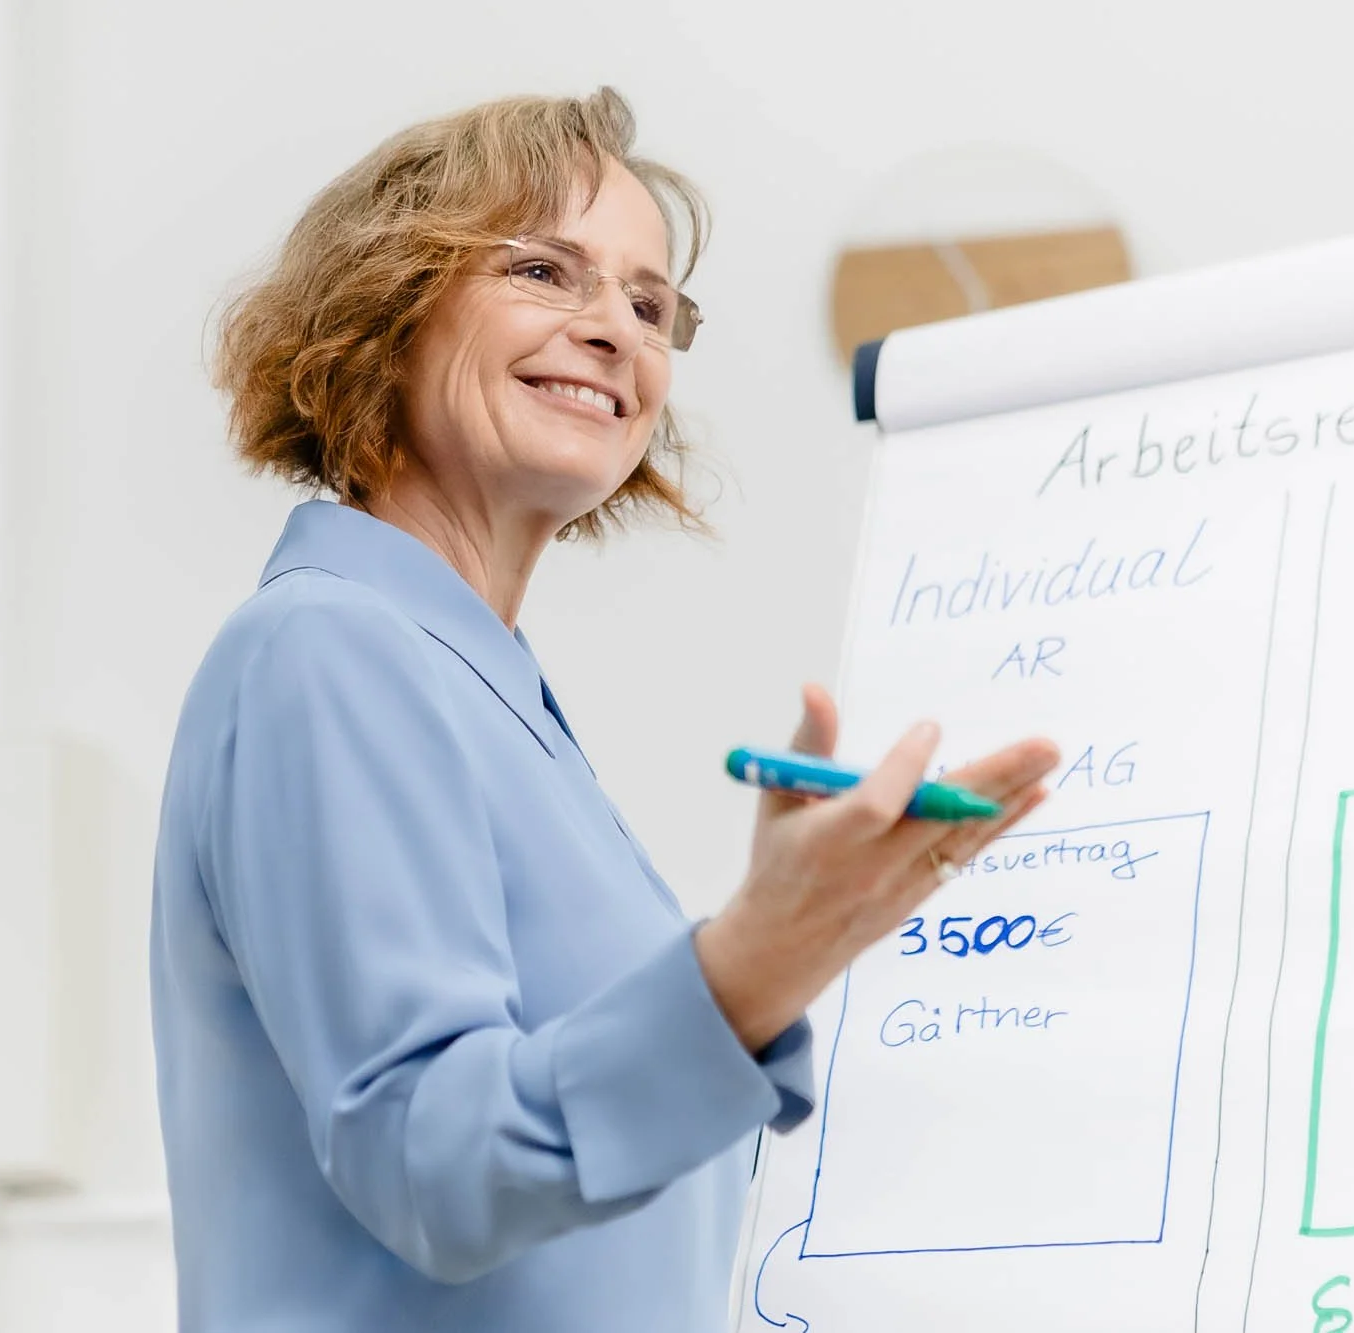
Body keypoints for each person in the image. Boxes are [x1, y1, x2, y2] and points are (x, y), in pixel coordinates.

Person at [149, 86, 1059, 1331]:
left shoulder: (472, 689)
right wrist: (751, 962)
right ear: (382, 309)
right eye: (542, 270)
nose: (614, 332)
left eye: (647, 304)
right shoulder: (327, 648)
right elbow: (436, 1165)